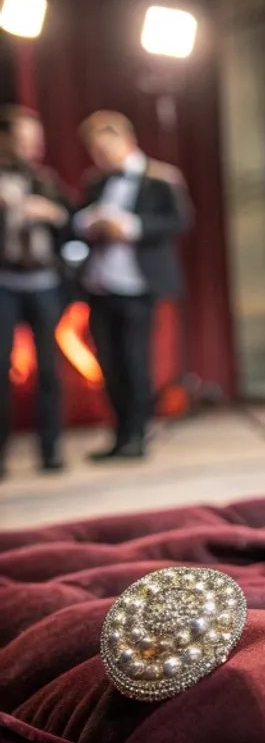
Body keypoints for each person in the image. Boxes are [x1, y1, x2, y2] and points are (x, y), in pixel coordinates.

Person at [73, 112, 190, 461]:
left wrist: (130, 227)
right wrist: (89, 223)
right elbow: (76, 218)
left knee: (134, 360)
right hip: (99, 283)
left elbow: (179, 221)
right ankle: (120, 433)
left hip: (138, 283)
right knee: (108, 364)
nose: (102, 157)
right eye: (96, 151)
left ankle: (138, 434)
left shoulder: (160, 177)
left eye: (106, 149)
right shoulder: (96, 182)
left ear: (126, 141)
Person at [0, 107, 71, 477]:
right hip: (4, 284)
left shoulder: (46, 180)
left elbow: (72, 224)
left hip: (44, 284)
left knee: (49, 370)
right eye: (25, 138)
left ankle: (51, 450)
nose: (33, 146)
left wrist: (54, 214)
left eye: (36, 139)